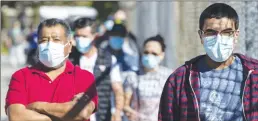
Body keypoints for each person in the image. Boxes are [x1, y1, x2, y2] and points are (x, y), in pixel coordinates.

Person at [158, 3, 258, 121]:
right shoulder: (180, 79)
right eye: (211, 32)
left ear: (236, 35)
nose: (219, 39)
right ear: (201, 36)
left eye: (227, 32)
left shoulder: (254, 73)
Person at [5, 18, 98, 121]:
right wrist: (65, 114)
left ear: (69, 46)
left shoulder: (84, 77)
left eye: (56, 40)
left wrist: (38, 106)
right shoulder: (21, 77)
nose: (49, 45)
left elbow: (82, 112)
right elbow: (16, 117)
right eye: (44, 40)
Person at [68, 17, 124, 121]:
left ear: (95, 36)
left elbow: (118, 90)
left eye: (84, 36)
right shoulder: (70, 60)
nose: (80, 40)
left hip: (101, 115)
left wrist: (117, 113)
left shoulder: (109, 59)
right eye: (77, 36)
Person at [123, 35, 172, 121]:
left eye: (154, 53)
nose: (149, 56)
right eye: (146, 52)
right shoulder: (132, 76)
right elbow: (126, 104)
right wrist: (129, 112)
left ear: (162, 55)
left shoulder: (170, 76)